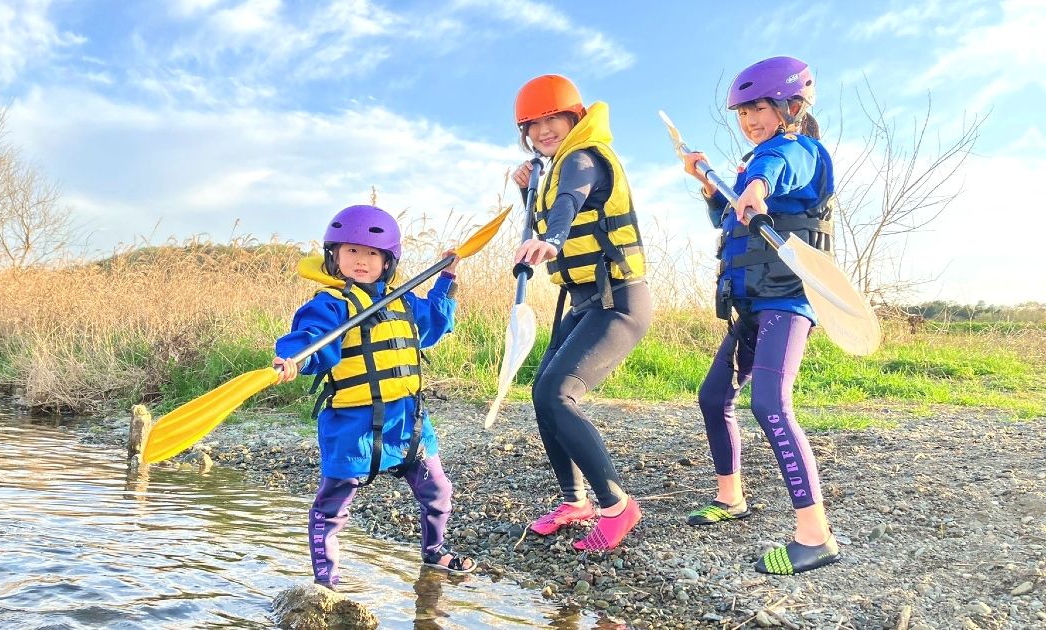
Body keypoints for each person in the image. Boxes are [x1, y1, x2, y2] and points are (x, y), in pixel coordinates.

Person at [680, 56, 841, 575]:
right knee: (713, 396)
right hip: (750, 306)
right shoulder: (754, 163)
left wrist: (757, 184)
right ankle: (731, 498)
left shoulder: (799, 151)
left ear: (792, 107)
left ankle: (814, 536)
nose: (750, 119)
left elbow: (778, 166)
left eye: (761, 108)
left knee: (769, 403)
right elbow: (730, 214)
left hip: (788, 302)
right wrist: (714, 188)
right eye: (744, 111)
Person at [273, 204, 475, 587]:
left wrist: (447, 277)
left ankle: (434, 552)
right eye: (351, 251)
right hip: (354, 427)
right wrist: (293, 358)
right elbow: (313, 339)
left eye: (371, 253)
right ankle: (326, 582)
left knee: (439, 491)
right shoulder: (329, 305)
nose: (361, 260)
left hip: (409, 422)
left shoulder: (401, 301)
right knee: (332, 506)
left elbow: (434, 324)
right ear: (334, 257)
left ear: (387, 262)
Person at [510, 74, 653, 551]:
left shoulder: (583, 158)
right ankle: (575, 503)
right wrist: (528, 193)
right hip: (584, 301)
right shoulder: (553, 168)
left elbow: (570, 201)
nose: (544, 130)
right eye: (534, 125)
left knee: (557, 393)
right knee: (541, 393)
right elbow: (553, 205)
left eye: (553, 119)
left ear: (575, 118)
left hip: (619, 302)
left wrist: (551, 240)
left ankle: (616, 506)